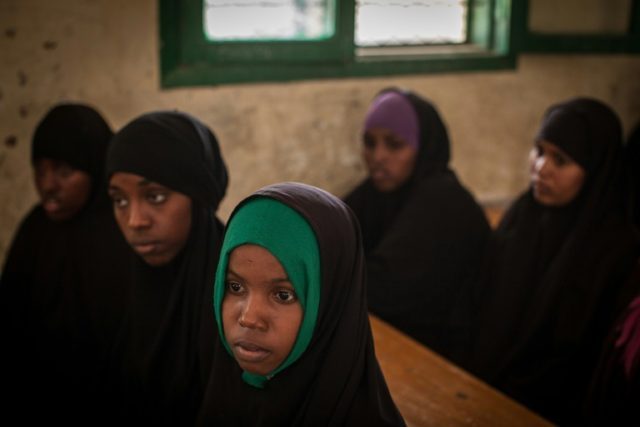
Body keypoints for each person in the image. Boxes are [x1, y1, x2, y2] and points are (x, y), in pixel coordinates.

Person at [471, 97, 640, 424]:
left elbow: (587, 360)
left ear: (594, 174)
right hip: (486, 379)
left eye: (560, 160)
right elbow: (481, 302)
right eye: (539, 150)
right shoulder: (524, 215)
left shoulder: (616, 250)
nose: (540, 168)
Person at [197, 182, 406, 426]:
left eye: (283, 295)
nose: (249, 318)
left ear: (330, 304)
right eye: (235, 287)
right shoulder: (222, 390)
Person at [0, 103, 131, 422]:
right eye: (40, 170)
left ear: (96, 166)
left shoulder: (125, 229)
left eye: (63, 171)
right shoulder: (36, 230)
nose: (47, 185)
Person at [344, 88, 490, 364]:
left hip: (449, 353)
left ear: (423, 148)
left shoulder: (442, 201)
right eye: (369, 142)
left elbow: (385, 289)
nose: (378, 156)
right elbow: (328, 239)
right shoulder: (376, 193)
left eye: (394, 144)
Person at [104, 110, 228, 424]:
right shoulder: (116, 283)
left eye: (155, 196)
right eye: (120, 200)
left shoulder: (241, 289)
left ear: (199, 196)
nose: (135, 221)